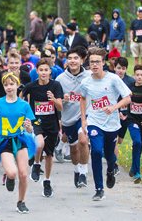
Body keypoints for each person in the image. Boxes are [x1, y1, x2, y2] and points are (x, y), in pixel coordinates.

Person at [80, 47, 131, 201]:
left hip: (112, 124)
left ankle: (110, 170)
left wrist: (114, 107)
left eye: (97, 62)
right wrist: (83, 119)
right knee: (95, 151)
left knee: (109, 155)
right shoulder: (86, 82)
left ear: (103, 63)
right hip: (94, 122)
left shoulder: (113, 79)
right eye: (91, 62)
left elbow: (128, 97)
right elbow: (82, 98)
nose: (94, 65)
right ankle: (99, 188)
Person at [0, 71, 35, 214]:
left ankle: (21, 202)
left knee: (23, 174)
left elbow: (29, 127)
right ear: (3, 87)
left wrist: (29, 127)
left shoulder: (24, 105)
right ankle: (10, 177)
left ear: (18, 85)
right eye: (6, 85)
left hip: (20, 139)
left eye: (12, 84)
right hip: (4, 141)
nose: (9, 87)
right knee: (12, 172)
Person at [22, 58, 64, 198]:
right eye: (41, 70)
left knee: (50, 155)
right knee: (39, 144)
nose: (44, 72)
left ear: (50, 71)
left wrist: (54, 100)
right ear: (37, 71)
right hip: (37, 121)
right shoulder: (31, 86)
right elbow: (21, 99)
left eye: (46, 70)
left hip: (51, 124)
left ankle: (47, 180)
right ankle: (36, 163)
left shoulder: (56, 85)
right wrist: (24, 115)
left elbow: (60, 107)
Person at [55, 46, 91, 188]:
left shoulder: (89, 77)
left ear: (82, 60)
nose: (72, 61)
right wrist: (63, 99)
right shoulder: (60, 79)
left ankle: (83, 172)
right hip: (67, 118)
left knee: (83, 141)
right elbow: (56, 102)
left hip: (84, 115)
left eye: (76, 58)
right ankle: (77, 170)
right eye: (70, 58)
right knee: (74, 149)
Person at [113, 57, 136, 174]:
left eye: (123, 68)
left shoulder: (131, 81)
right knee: (115, 140)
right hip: (113, 112)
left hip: (126, 114)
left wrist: (127, 114)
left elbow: (133, 99)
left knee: (120, 140)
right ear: (114, 68)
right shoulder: (110, 79)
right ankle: (114, 164)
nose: (120, 71)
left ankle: (107, 151)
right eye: (118, 68)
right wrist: (116, 111)